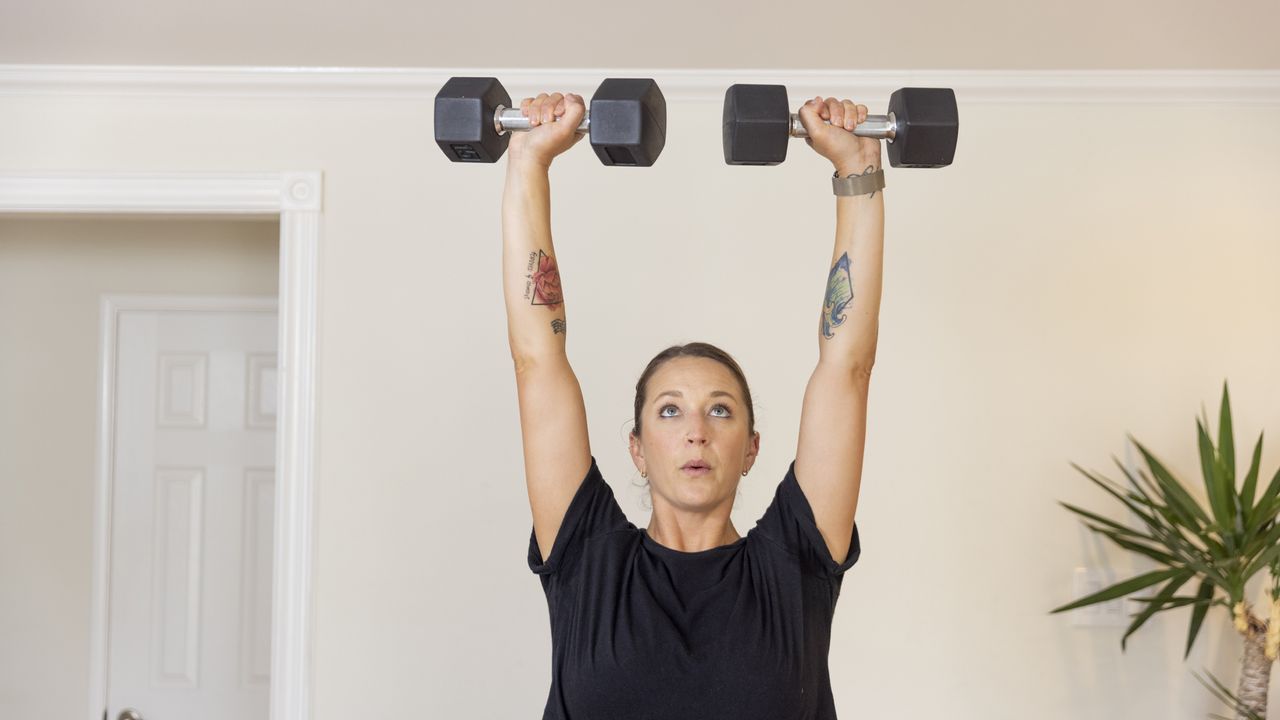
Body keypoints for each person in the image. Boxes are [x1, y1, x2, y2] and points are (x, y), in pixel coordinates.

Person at [503, 88, 882, 720]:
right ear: (638, 447)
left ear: (751, 449)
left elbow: (848, 369)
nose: (697, 432)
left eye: (722, 410)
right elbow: (536, 364)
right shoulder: (589, 558)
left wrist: (858, 173)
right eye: (670, 410)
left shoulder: (793, 564)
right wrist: (528, 163)